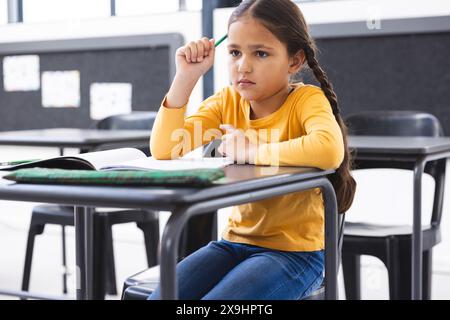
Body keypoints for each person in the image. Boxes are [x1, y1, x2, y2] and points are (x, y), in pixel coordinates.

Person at [149, 0, 356, 300]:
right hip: (233, 245)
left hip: (296, 255)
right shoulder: (227, 103)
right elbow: (166, 148)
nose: (243, 65)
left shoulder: (305, 100)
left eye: (260, 53)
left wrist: (255, 151)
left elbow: (329, 149)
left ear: (294, 61)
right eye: (234, 52)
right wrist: (186, 77)